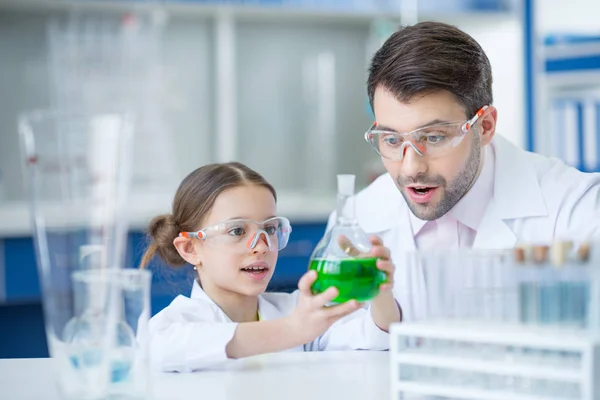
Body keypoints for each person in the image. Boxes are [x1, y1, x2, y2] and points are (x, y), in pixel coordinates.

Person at [327, 21, 600, 321]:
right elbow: (322, 340)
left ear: (484, 127)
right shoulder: (359, 216)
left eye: (433, 137)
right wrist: (384, 321)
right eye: (391, 140)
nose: (411, 167)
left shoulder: (576, 208)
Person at [140, 162, 401, 372]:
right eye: (237, 230)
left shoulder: (294, 309)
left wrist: (380, 291)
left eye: (270, 229)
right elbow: (160, 349)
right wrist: (293, 329)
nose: (261, 246)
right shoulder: (171, 325)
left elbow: (376, 336)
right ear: (191, 249)